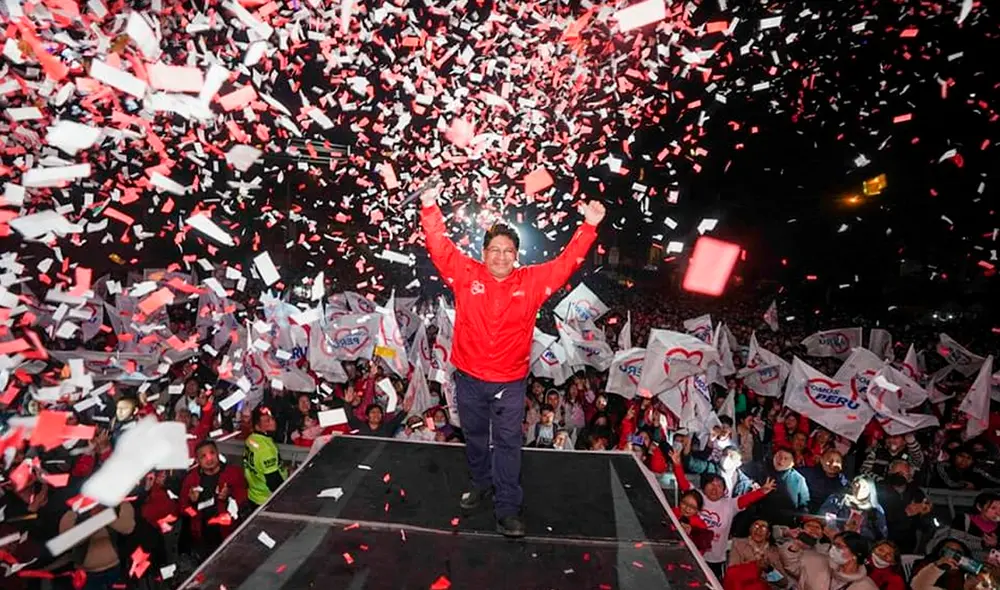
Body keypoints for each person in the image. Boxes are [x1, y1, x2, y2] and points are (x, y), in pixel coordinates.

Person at [419, 183, 605, 538]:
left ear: (517, 255)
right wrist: (429, 206)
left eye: (508, 251)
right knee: (473, 437)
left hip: (509, 383)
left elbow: (567, 263)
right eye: (494, 250)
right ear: (483, 252)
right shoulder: (466, 274)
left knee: (507, 444)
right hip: (469, 379)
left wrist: (588, 227)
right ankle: (480, 481)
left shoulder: (532, 281)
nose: (501, 257)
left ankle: (507, 508)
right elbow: (440, 248)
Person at [671, 448, 776, 578]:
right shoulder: (698, 496)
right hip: (690, 551)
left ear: (724, 490)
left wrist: (762, 491)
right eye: (711, 484)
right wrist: (677, 465)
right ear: (704, 486)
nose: (714, 488)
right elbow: (683, 483)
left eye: (719, 485)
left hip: (714, 558)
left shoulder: (729, 504)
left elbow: (745, 499)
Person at [181, 440, 248, 559]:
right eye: (203, 456)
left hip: (228, 535)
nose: (209, 459)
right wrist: (192, 503)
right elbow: (182, 509)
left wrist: (230, 496)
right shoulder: (191, 479)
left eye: (212, 453)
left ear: (218, 453)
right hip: (202, 538)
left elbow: (244, 502)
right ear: (197, 461)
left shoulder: (233, 473)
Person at [876, 460, 932, 554]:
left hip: (908, 543)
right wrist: (906, 513)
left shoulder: (917, 493)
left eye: (904, 473)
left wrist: (925, 514)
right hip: (883, 542)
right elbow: (880, 519)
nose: (900, 475)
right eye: (897, 472)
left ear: (909, 476)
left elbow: (925, 526)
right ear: (889, 472)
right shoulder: (879, 490)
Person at [243, 405, 288, 509]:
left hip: (254, 494)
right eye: (267, 421)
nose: (272, 422)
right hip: (267, 499)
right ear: (257, 426)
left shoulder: (251, 439)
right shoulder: (265, 449)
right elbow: (273, 481)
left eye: (272, 418)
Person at [798, 532, 878, 590]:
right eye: (833, 544)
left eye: (839, 546)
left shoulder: (867, 587)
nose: (833, 549)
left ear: (856, 553)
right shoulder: (818, 567)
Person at [819, 476, 888, 541]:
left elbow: (881, 534)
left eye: (864, 487)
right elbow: (826, 514)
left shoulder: (875, 509)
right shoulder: (838, 499)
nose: (859, 490)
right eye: (856, 486)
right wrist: (835, 530)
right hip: (832, 539)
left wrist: (858, 532)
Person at [727, 518, 788, 588]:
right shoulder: (738, 544)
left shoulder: (773, 551)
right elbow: (732, 574)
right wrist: (756, 567)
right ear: (750, 529)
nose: (759, 530)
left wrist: (769, 570)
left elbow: (783, 582)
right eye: (756, 526)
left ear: (768, 534)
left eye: (763, 528)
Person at [911, 539, 977, 590]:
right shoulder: (927, 565)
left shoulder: (964, 574)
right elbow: (917, 586)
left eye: (958, 554)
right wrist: (938, 566)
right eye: (948, 551)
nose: (952, 556)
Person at [859, 434, 924, 481]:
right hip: (878, 491)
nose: (891, 440)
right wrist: (880, 480)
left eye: (895, 437)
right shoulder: (877, 452)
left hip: (901, 493)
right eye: (888, 437)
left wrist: (912, 442)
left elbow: (918, 460)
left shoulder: (909, 455)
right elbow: (864, 470)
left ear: (904, 441)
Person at [804, 449, 848, 513]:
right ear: (821, 460)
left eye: (838, 461)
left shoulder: (843, 483)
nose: (833, 464)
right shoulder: (808, 473)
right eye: (829, 460)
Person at [674, 489, 713, 554]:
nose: (687, 509)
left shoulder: (701, 526)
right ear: (680, 501)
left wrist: (692, 531)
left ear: (698, 510)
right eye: (684, 503)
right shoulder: (670, 513)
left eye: (692, 507)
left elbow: (704, 544)